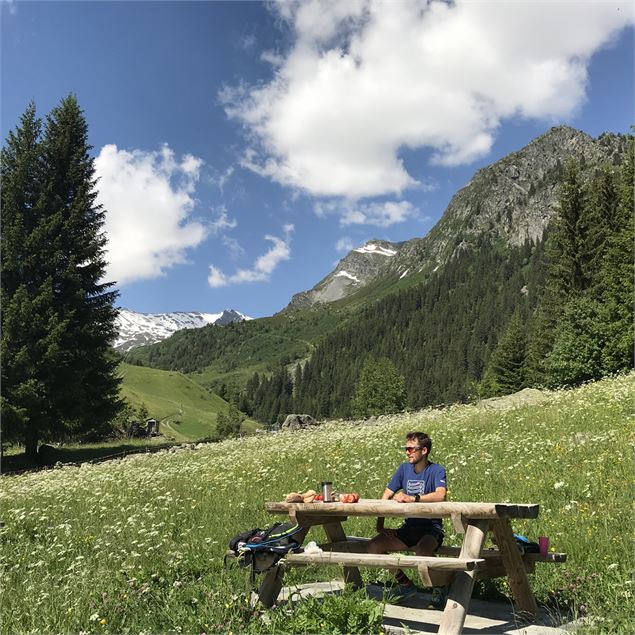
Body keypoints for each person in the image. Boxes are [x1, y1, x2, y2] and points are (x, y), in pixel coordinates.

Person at [367, 431, 448, 607]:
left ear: (424, 450)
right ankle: (405, 584)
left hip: (431, 527)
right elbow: (386, 496)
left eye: (411, 448)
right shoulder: (404, 469)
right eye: (406, 448)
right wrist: (380, 524)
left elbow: (441, 495)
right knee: (374, 546)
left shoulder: (436, 470)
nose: (407, 452)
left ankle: (440, 586)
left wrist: (414, 498)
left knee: (423, 552)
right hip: (409, 528)